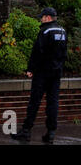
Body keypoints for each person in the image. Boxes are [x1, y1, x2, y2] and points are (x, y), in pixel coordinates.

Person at [11, 7, 67, 144]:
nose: (41, 19)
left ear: (47, 17)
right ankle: (51, 133)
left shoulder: (45, 31)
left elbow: (38, 52)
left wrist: (31, 68)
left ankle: (26, 131)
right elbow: (64, 53)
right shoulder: (63, 31)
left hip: (43, 72)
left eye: (42, 17)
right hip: (56, 72)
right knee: (53, 102)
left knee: (34, 102)